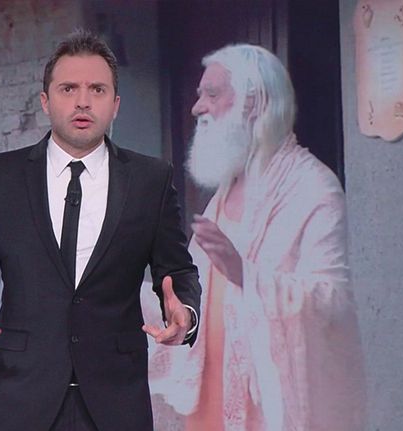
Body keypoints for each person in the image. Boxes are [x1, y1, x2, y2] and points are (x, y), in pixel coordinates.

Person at [0, 29, 201, 431]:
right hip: (21, 400)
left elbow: (177, 270)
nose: (82, 101)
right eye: (68, 89)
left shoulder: (151, 180)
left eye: (97, 89)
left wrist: (185, 312)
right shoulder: (1, 177)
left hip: (116, 401)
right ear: (46, 101)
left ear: (115, 105)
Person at [149, 44, 366, 431]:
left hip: (273, 411)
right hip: (207, 405)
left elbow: (332, 300)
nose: (197, 107)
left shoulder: (313, 187)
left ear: (255, 103)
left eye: (211, 94)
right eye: (199, 95)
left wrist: (246, 275)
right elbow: (192, 295)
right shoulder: (227, 190)